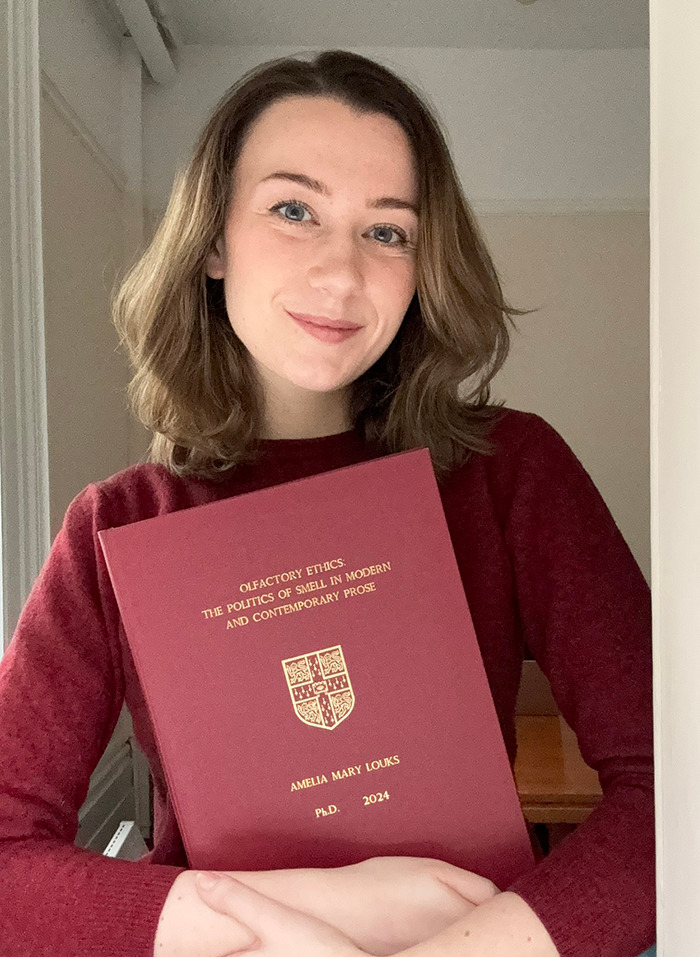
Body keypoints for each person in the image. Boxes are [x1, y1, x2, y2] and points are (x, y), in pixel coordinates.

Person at [0, 50, 655, 957]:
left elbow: (675, 789)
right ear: (214, 239)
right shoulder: (119, 524)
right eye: (294, 209)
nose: (342, 273)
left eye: (388, 232)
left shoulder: (510, 473)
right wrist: (320, 914)